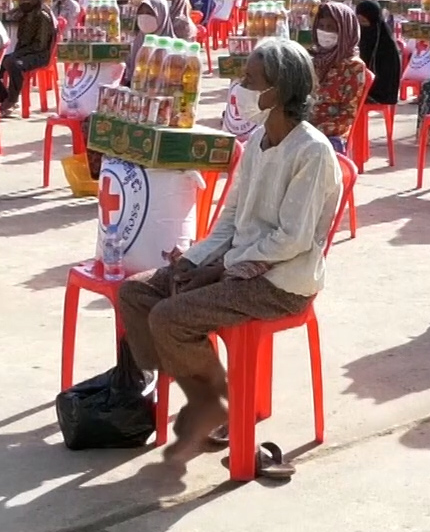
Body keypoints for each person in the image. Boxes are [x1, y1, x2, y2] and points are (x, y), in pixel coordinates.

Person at [115, 37, 341, 461]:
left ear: (278, 91)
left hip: (281, 280)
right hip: (236, 264)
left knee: (170, 316)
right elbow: (231, 219)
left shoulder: (311, 152)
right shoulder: (258, 140)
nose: (241, 87)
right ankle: (182, 389)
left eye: (250, 80)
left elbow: (290, 239)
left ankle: (216, 407)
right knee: (136, 293)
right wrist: (197, 260)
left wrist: (221, 270)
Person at [307, 1, 368, 153]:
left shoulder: (353, 67)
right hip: (304, 125)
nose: (324, 32)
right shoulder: (313, 59)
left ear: (345, 31)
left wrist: (312, 131)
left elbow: (347, 115)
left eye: (331, 28)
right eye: (321, 26)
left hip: (330, 133)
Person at [0, 0, 56, 109]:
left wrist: (17, 53)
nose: (22, 2)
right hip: (24, 52)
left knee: (14, 64)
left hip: (39, 55)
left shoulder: (42, 16)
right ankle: (2, 97)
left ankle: (11, 100)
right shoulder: (24, 13)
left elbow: (39, 45)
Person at [355, 0, 402, 107]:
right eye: (358, 22)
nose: (361, 26)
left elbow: (386, 78)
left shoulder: (386, 43)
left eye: (364, 22)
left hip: (380, 93)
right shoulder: (361, 36)